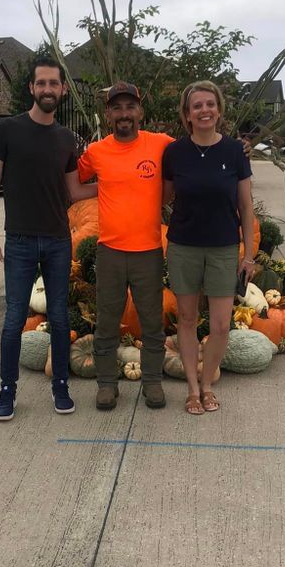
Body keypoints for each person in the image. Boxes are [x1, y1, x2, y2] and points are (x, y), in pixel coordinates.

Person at [0, 57, 97, 422]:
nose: (48, 89)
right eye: (41, 83)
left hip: (57, 241)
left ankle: (60, 386)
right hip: (17, 240)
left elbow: (74, 191)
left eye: (54, 84)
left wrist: (116, 182)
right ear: (31, 89)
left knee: (60, 318)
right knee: (14, 317)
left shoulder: (66, 139)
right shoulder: (7, 131)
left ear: (63, 90)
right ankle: (7, 390)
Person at [77, 83, 174, 411]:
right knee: (106, 321)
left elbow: (195, 154)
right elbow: (73, 180)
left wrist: (232, 151)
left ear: (140, 112)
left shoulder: (160, 145)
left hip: (148, 252)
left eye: (130, 107)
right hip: (111, 252)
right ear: (108, 114)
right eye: (116, 108)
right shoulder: (97, 152)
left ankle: (152, 383)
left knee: (151, 321)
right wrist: (101, 190)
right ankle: (107, 384)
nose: (124, 114)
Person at [162, 80, 254, 415]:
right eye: (197, 106)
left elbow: (245, 207)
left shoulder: (234, 152)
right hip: (183, 246)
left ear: (219, 110)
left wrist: (249, 254)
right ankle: (191, 389)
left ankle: (207, 385)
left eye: (209, 104)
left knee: (219, 325)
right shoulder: (174, 153)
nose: (204, 111)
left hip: (223, 247)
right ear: (187, 114)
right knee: (186, 319)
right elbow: (162, 197)